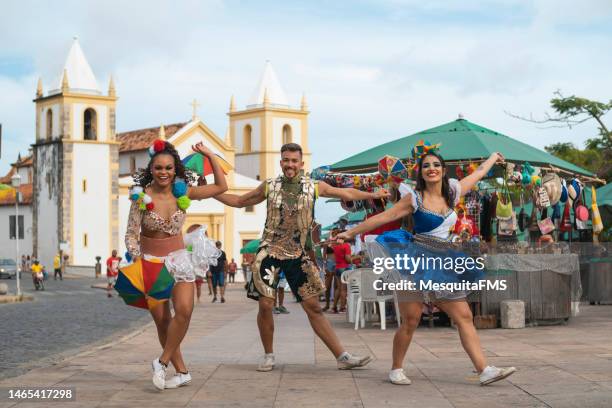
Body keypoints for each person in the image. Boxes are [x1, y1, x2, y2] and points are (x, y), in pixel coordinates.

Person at [336, 146, 516, 386]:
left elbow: (479, 173)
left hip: (443, 260)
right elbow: (383, 218)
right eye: (426, 166)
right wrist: (349, 233)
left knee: (464, 315)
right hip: (416, 260)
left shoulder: (453, 190)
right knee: (411, 319)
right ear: (421, 172)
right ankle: (396, 368)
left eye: (436, 165)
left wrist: (494, 157)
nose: (432, 169)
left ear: (443, 170)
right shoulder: (415, 198)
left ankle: (484, 369)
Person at [214, 142, 388, 372]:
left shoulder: (314, 186)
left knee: (313, 306)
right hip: (270, 251)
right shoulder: (270, 186)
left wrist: (372, 194)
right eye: (286, 160)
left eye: (294, 161)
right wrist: (209, 194)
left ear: (301, 163)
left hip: (297, 253)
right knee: (266, 304)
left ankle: (342, 356)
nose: (290, 165)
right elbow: (238, 201)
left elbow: (346, 192)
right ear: (281, 162)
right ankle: (268, 355)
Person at [125, 139, 227, 390]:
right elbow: (130, 233)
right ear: (152, 169)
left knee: (184, 312)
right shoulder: (141, 197)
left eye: (169, 168)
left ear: (175, 170)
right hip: (151, 264)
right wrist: (136, 255)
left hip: (179, 261)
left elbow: (221, 186)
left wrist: (209, 154)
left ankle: (161, 362)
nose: (164, 172)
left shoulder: (184, 192)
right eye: (159, 168)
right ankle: (181, 372)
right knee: (163, 321)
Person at [331, 236, 351, 313]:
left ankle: (334, 307)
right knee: (344, 289)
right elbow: (347, 259)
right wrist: (353, 259)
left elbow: (334, 258)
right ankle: (342, 307)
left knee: (338, 288)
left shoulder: (335, 246)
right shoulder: (346, 246)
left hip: (337, 267)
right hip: (344, 267)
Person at [322, 244, 336, 312]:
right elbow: (324, 255)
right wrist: (325, 267)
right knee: (327, 286)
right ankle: (327, 305)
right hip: (329, 263)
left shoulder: (340, 240)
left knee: (336, 286)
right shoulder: (327, 242)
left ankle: (334, 306)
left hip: (337, 263)